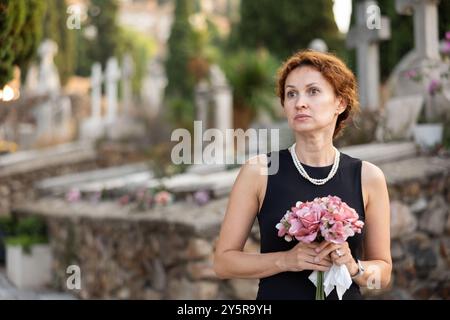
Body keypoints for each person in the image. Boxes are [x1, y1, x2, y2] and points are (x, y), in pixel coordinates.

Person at [213, 50, 392, 300]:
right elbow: (223, 263)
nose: (300, 103)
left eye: (313, 91)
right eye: (291, 94)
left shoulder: (368, 177)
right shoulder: (259, 172)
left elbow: (382, 275)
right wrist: (285, 260)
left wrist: (354, 267)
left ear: (340, 103)